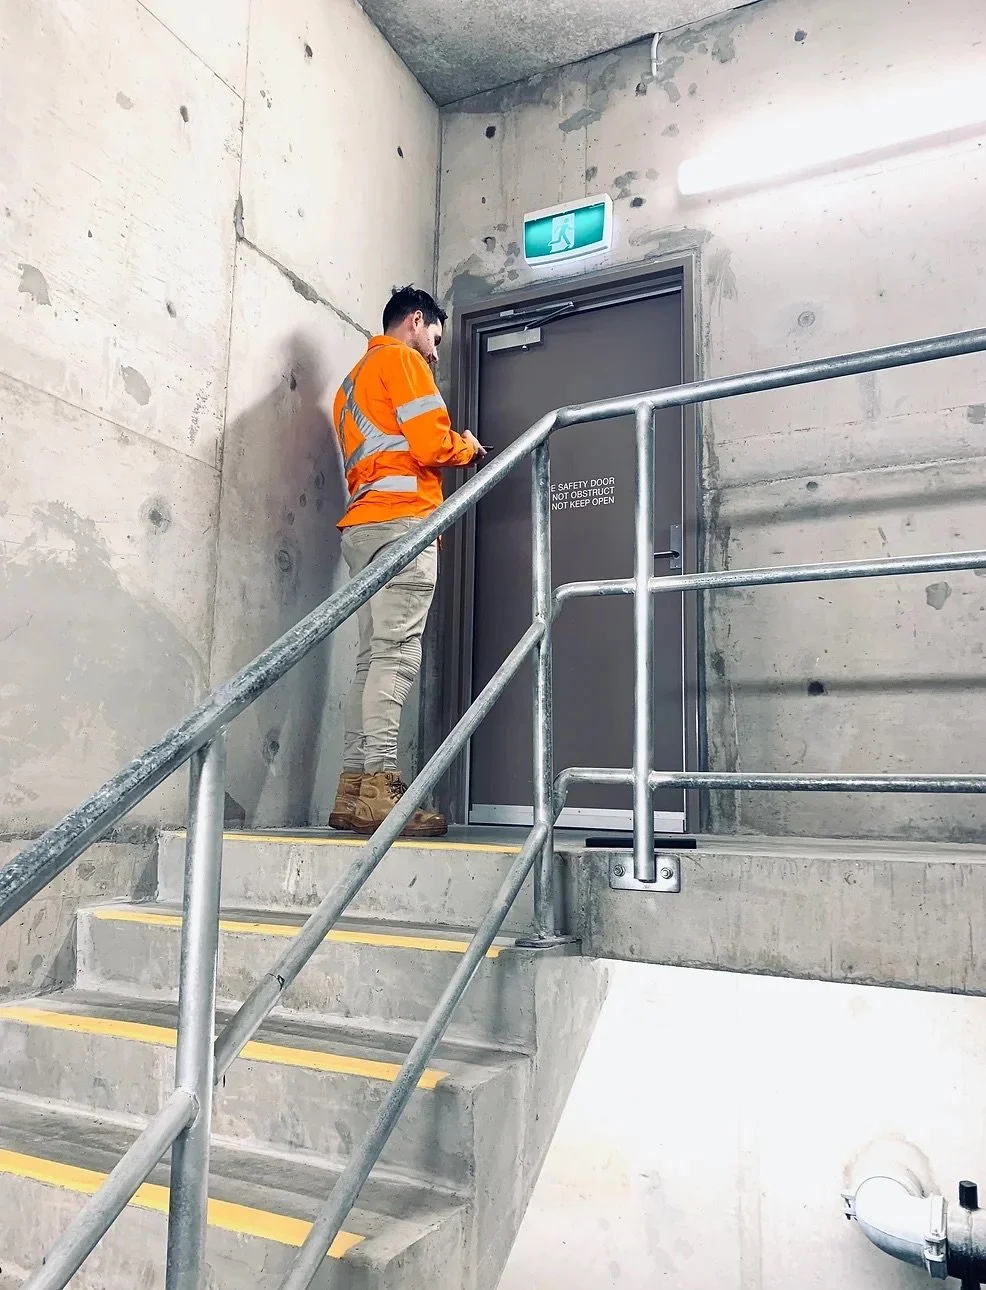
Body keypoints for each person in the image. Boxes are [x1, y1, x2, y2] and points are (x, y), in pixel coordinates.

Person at [329, 286, 486, 837]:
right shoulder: (402, 360)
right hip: (403, 525)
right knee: (396, 657)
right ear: (415, 321)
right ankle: (382, 787)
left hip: (363, 527)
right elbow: (430, 444)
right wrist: (467, 448)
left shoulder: (350, 384)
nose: (435, 354)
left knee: (369, 660)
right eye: (435, 339)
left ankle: (353, 789)